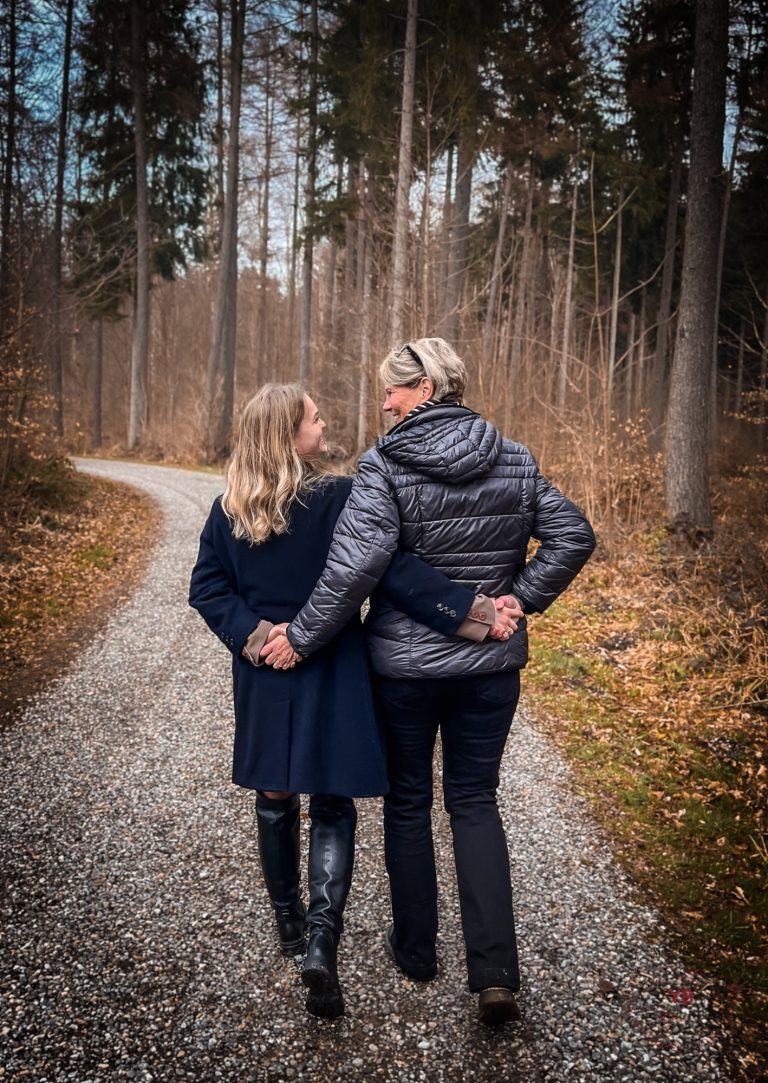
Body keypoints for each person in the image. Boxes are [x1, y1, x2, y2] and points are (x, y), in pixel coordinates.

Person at [261, 340, 596, 1026]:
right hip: (490, 670)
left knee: (410, 802)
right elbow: (573, 536)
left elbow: (354, 568)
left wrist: (300, 636)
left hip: (405, 673)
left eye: (393, 389)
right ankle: (494, 973)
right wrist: (518, 600)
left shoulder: (383, 465)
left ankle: (416, 952)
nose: (384, 403)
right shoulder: (513, 457)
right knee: (474, 802)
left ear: (427, 388)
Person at [188, 382, 519, 1021]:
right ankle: (321, 938)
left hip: (264, 670)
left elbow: (208, 589)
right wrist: (474, 613)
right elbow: (392, 571)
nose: (323, 423)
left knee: (275, 795)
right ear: (288, 435)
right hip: (334, 663)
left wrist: (258, 636)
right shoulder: (338, 498)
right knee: (332, 798)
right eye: (313, 418)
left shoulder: (228, 508)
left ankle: (289, 925)